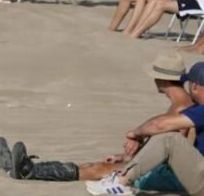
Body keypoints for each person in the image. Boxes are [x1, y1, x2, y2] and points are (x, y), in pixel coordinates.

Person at [0, 52, 192, 193]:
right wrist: (126, 155)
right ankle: (23, 168)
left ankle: (26, 170)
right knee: (98, 166)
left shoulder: (181, 108)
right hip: (168, 168)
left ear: (161, 79)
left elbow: (169, 150)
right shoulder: (180, 105)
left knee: (99, 169)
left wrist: (133, 154)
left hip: (171, 174)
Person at [84, 61, 204, 196]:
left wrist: (135, 134)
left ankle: (120, 182)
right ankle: (120, 179)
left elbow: (159, 125)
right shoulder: (195, 110)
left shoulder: (198, 111)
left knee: (168, 139)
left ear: (194, 86)